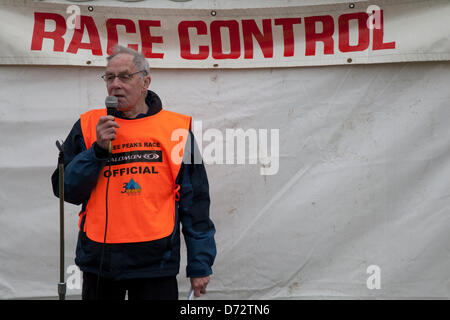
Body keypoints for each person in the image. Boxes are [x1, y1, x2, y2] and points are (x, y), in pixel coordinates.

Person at [51, 46, 216, 300]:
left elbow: (196, 204)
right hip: (100, 263)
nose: (115, 84)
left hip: (156, 264)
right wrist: (97, 151)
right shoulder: (87, 125)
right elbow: (65, 189)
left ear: (145, 82)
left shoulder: (177, 129)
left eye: (125, 76)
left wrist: (200, 263)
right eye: (109, 77)